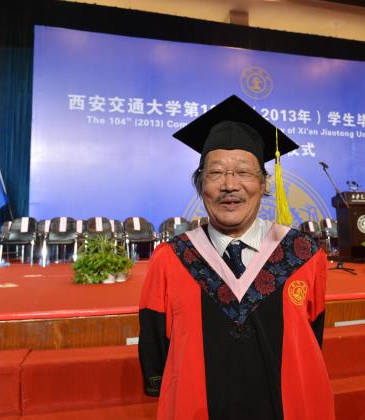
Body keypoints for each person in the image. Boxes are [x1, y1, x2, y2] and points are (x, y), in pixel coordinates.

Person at [139, 95, 335, 420]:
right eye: (216, 173)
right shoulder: (171, 258)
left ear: (264, 183)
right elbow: (155, 347)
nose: (230, 185)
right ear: (200, 184)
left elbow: (311, 339)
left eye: (244, 172)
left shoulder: (303, 255)